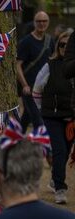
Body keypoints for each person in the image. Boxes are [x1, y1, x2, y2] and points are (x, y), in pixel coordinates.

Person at [33, 31, 74, 204]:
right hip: (53, 116)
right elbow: (37, 90)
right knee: (59, 151)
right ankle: (60, 188)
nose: (65, 48)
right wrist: (44, 109)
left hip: (71, 118)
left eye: (68, 45)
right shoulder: (50, 65)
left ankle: (54, 179)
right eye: (62, 45)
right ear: (57, 46)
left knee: (65, 153)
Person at [16, 11, 54, 132]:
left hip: (43, 87)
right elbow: (17, 65)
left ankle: (16, 140)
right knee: (38, 120)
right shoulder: (26, 42)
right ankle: (43, 149)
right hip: (29, 88)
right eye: (38, 21)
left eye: (44, 21)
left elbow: (52, 61)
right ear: (34, 22)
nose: (41, 24)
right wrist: (24, 85)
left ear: (48, 22)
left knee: (26, 117)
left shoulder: (50, 40)